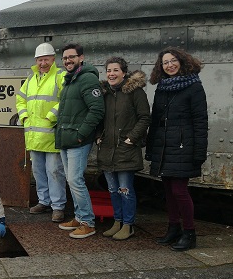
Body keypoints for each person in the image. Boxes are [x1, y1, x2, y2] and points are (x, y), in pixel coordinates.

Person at [146, 47, 208, 251]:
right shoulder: (162, 87)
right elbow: (155, 121)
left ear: (181, 61)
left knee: (179, 191)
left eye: (173, 61)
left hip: (183, 146)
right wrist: (151, 148)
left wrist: (199, 151)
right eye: (165, 62)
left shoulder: (194, 87)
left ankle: (190, 233)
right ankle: (174, 228)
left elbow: (200, 121)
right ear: (160, 67)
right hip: (164, 146)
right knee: (168, 191)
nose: (170, 65)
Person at [96, 57, 151, 240]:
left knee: (125, 189)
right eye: (109, 70)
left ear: (124, 72)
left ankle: (128, 224)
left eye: (115, 70)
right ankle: (117, 221)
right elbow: (99, 117)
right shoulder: (106, 94)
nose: (111, 74)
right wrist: (98, 136)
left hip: (125, 149)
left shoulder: (135, 92)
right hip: (108, 150)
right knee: (112, 190)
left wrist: (131, 139)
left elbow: (145, 117)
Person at [55, 43, 105, 239]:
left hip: (77, 139)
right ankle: (79, 216)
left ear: (81, 58)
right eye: (65, 58)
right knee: (71, 179)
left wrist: (81, 134)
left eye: (72, 57)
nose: (68, 61)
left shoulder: (87, 79)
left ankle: (88, 222)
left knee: (76, 180)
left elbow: (97, 110)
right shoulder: (70, 80)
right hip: (67, 138)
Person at [16, 43, 67, 222]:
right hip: (33, 136)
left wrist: (51, 116)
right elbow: (20, 99)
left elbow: (66, 99)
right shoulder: (31, 79)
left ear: (53, 59)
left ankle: (58, 206)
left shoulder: (60, 76)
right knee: (38, 172)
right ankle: (43, 201)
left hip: (51, 134)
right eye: (39, 59)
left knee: (54, 171)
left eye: (46, 59)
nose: (42, 63)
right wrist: (24, 118)